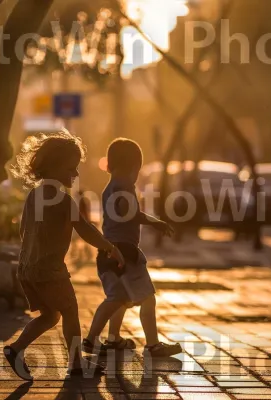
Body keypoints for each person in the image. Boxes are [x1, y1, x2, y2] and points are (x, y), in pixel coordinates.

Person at [5, 131, 125, 380]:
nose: (77, 174)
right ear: (54, 167)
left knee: (50, 315)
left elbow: (22, 229)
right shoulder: (62, 200)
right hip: (50, 270)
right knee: (70, 311)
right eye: (72, 168)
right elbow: (85, 230)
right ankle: (76, 364)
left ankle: (15, 349)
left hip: (27, 267)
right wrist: (109, 247)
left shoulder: (33, 196)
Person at [83, 138, 183, 357]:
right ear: (134, 166)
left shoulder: (109, 188)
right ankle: (153, 344)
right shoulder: (123, 187)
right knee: (147, 297)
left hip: (108, 251)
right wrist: (155, 222)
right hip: (125, 252)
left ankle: (110, 339)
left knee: (118, 298)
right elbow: (131, 214)